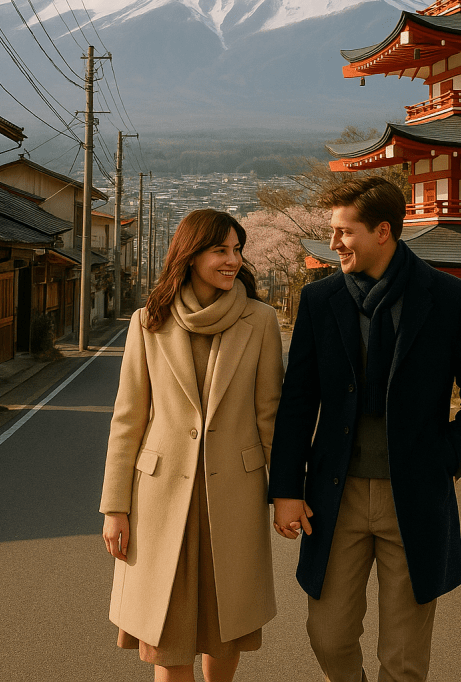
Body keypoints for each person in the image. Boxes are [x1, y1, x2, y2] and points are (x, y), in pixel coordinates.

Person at [269, 176, 461, 682]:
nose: (333, 243)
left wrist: (446, 459)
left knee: (402, 658)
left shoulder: (449, 298)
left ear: (382, 232)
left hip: (414, 496)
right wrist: (286, 489)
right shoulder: (320, 301)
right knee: (327, 634)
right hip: (335, 495)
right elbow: (297, 402)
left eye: (343, 232)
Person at [100, 208, 284, 682]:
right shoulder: (149, 321)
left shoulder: (259, 319)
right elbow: (128, 420)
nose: (233, 260)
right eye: (220, 250)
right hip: (160, 500)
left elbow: (271, 416)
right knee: (168, 633)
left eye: (237, 249)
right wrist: (115, 507)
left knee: (228, 625)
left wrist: (287, 491)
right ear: (191, 254)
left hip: (235, 496)